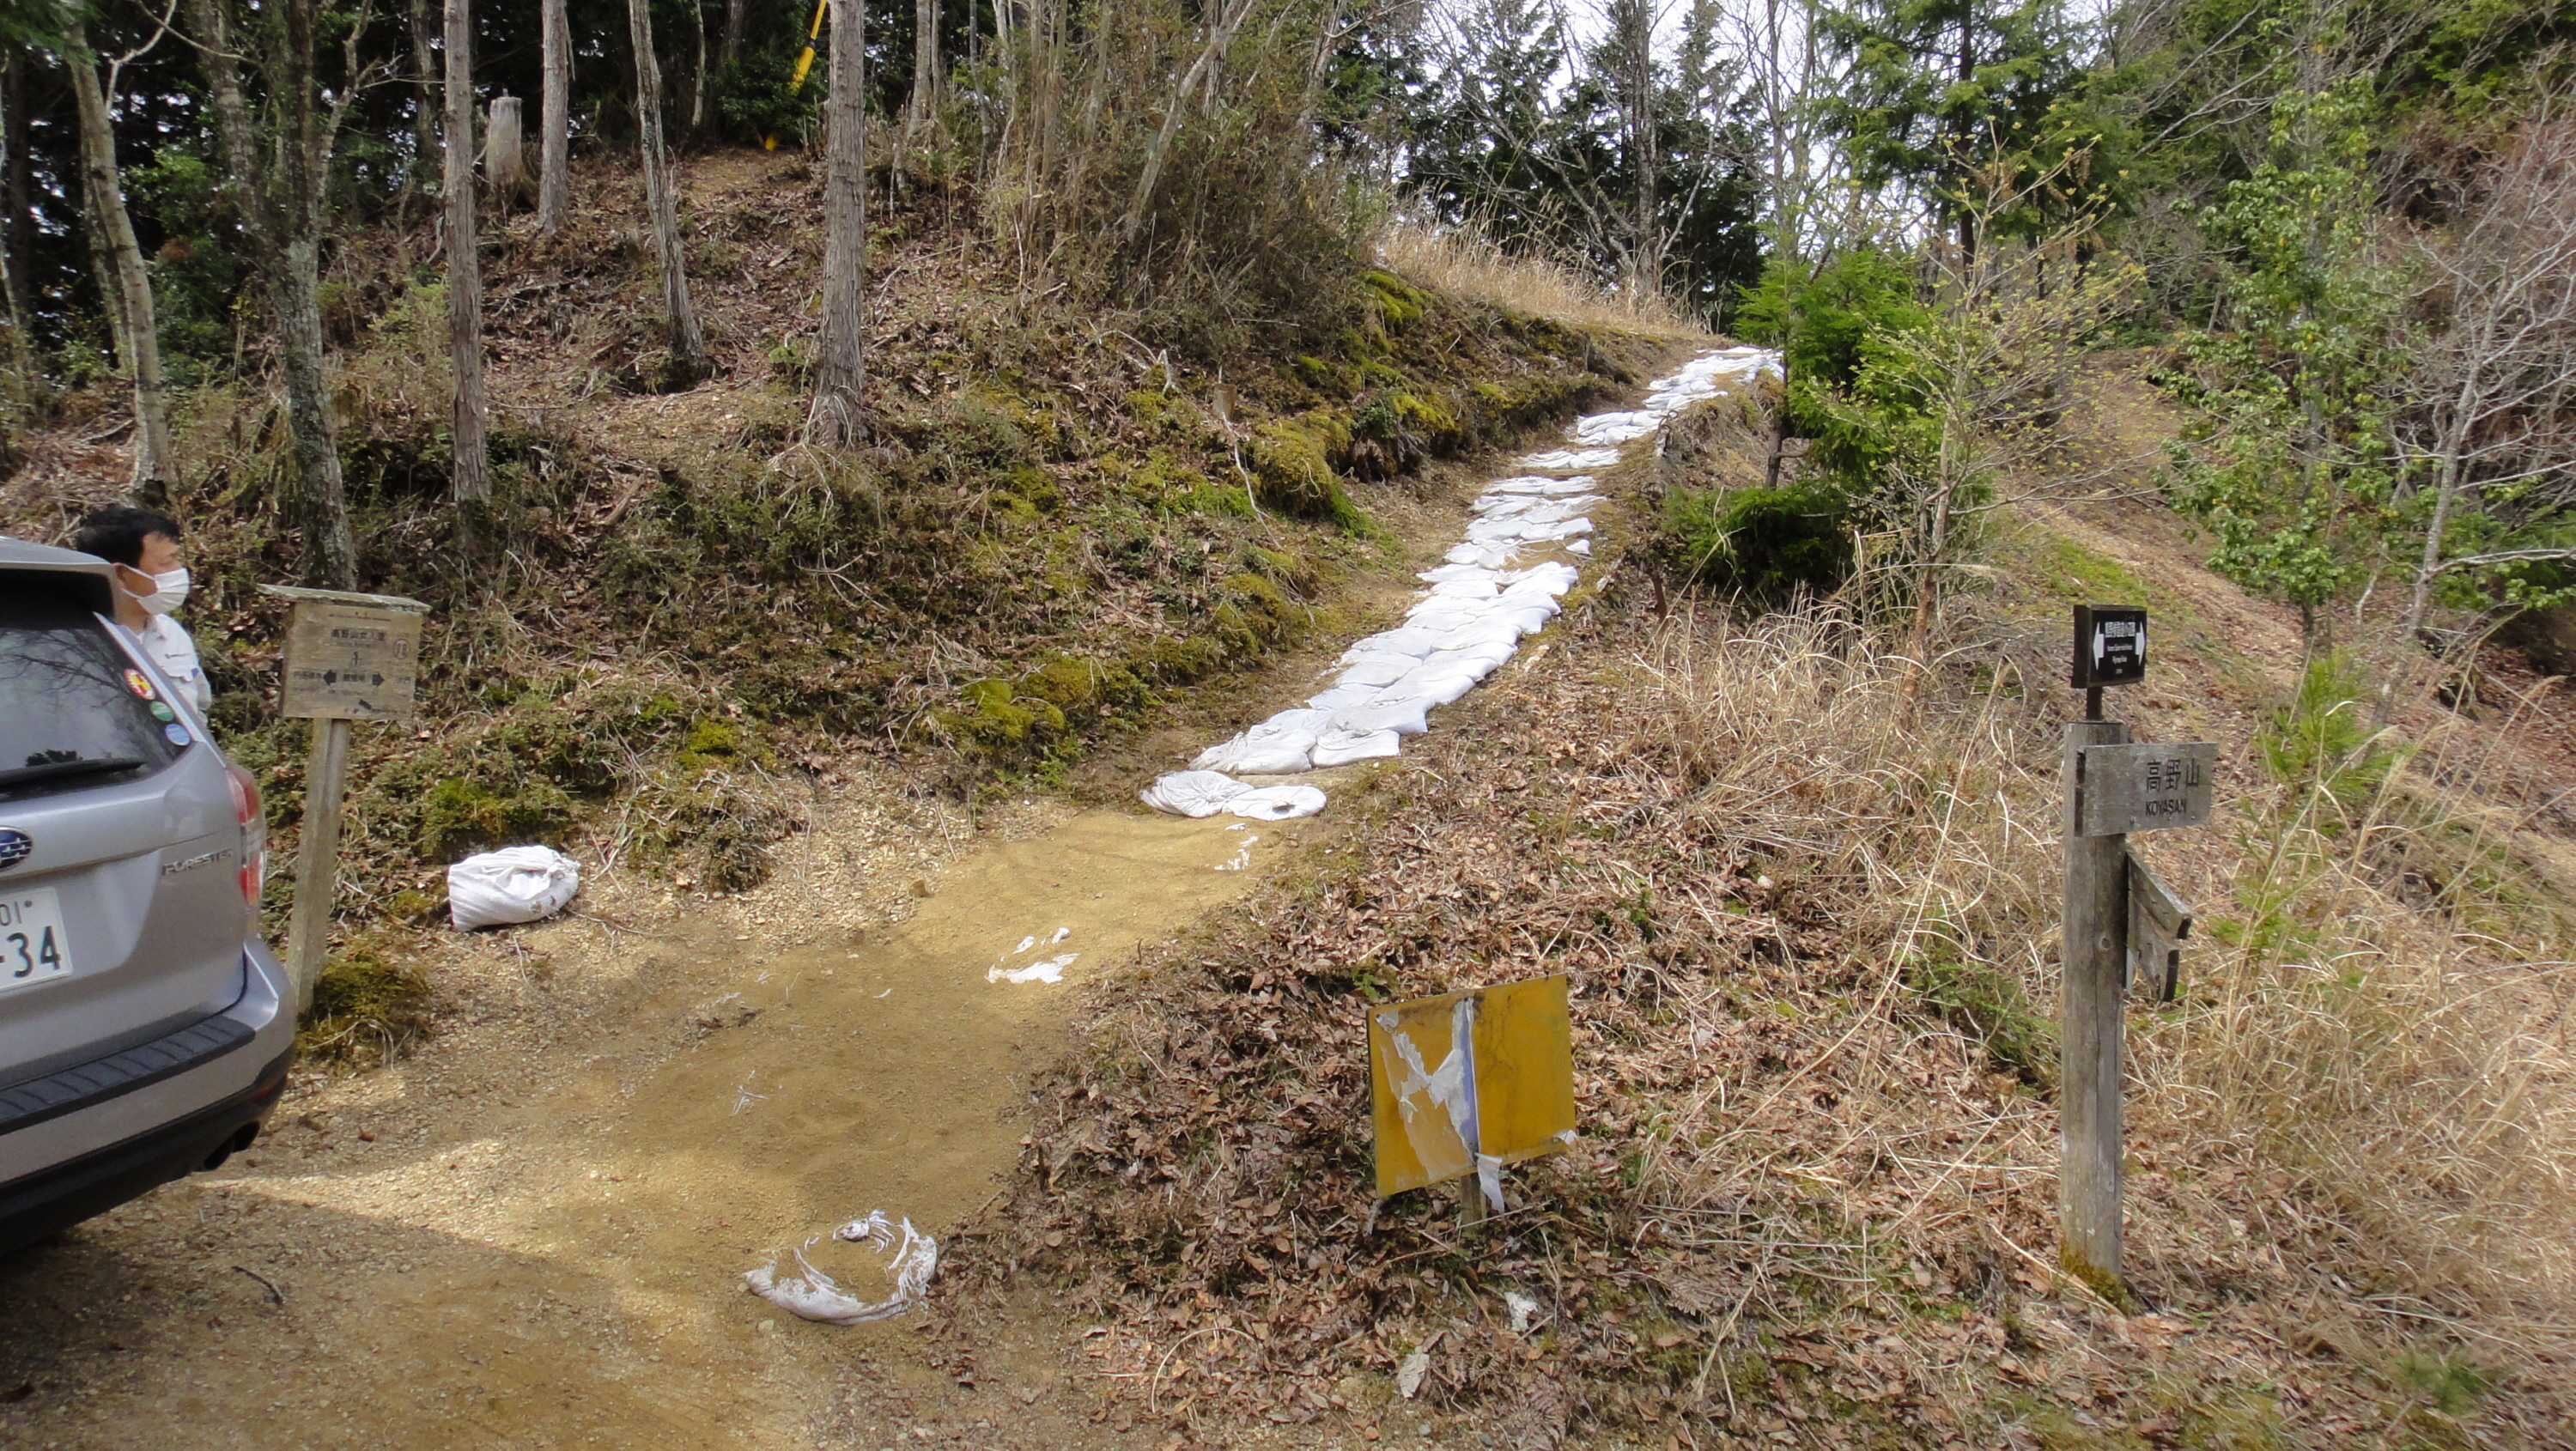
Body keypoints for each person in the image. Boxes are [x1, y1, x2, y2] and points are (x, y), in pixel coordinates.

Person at [69, 505, 212, 714]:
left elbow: (199, 711)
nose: (179, 571)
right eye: (167, 562)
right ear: (120, 574)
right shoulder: (75, 645)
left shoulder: (171, 634)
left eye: (177, 559)